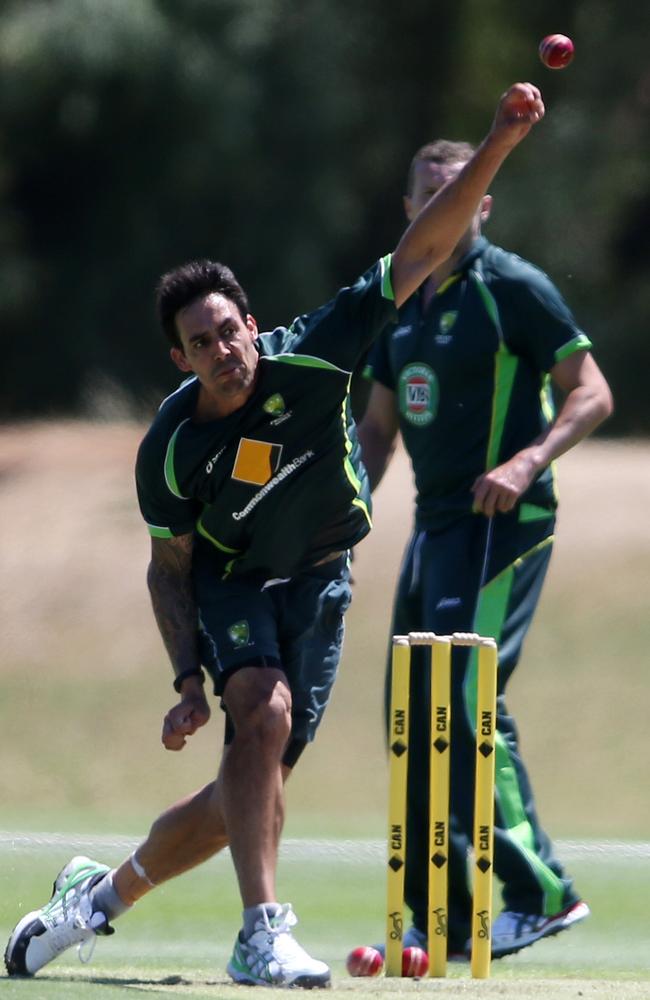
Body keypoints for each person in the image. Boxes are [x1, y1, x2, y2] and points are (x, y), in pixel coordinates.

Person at [4, 83, 546, 987]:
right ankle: (263, 932)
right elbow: (168, 568)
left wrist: (498, 142)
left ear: (252, 325)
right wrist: (187, 678)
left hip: (323, 580)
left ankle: (94, 900)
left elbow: (423, 248)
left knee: (243, 795)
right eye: (201, 342)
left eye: (230, 329)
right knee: (260, 711)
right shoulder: (173, 448)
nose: (223, 349)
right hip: (235, 583)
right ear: (179, 359)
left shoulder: (316, 352)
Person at [357, 137, 614, 961]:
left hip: (506, 524)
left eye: (467, 190)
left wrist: (529, 458)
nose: (452, 204)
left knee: (465, 703)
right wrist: (338, 513)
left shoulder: (512, 288)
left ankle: (540, 895)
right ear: (410, 210)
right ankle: (441, 918)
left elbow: (593, 392)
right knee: (412, 716)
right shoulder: (398, 302)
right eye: (436, 192)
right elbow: (378, 428)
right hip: (436, 532)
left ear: (486, 202)